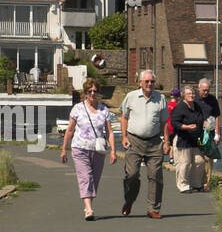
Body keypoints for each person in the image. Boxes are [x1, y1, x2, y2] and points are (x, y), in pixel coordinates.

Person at [60, 77, 116, 220]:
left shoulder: (104, 110)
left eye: (95, 91)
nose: (92, 94)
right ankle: (89, 209)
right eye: (89, 91)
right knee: (86, 177)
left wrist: (113, 151)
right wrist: (64, 149)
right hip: (80, 148)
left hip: (98, 150)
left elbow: (109, 132)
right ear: (85, 92)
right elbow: (70, 130)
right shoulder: (78, 108)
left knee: (94, 179)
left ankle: (87, 204)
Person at [119, 70, 169, 218]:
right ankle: (129, 200)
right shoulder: (131, 97)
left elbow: (164, 122)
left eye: (152, 81)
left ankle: (153, 209)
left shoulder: (160, 98)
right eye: (146, 81)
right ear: (140, 83)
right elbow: (124, 117)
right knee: (132, 174)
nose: (149, 84)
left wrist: (166, 141)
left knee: (155, 176)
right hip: (134, 141)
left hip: (154, 142)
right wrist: (124, 137)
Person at [170, 85, 205, 192]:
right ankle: (183, 185)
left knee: (200, 161)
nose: (191, 95)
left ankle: (195, 184)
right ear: (184, 95)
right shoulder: (180, 107)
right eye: (189, 94)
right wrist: (186, 127)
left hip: (194, 139)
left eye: (193, 93)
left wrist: (205, 124)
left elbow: (201, 118)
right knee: (184, 163)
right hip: (183, 138)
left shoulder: (197, 106)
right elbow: (174, 123)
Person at [195, 77, 222, 187]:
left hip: (209, 133)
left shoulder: (212, 100)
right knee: (197, 158)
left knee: (208, 158)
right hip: (196, 132)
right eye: (204, 90)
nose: (206, 92)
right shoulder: (194, 99)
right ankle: (196, 182)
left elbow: (216, 117)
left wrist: (217, 133)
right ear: (199, 88)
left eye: (207, 90)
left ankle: (206, 183)